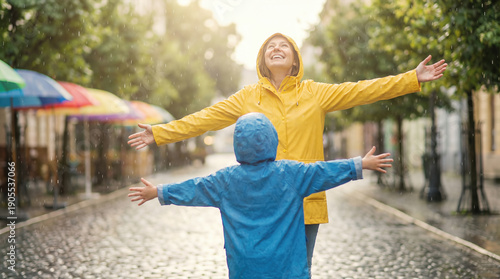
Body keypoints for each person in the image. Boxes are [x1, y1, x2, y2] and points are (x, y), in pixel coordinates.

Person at [127, 33, 447, 271]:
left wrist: (411, 78)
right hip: (260, 204)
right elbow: (205, 119)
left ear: (295, 59)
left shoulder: (315, 93)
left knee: (298, 269)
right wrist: (159, 133)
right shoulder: (246, 97)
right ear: (262, 60)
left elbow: (362, 90)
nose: (277, 49)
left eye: (284, 46)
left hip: (305, 198)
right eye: (270, 46)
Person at [129, 113, 393, 279]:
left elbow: (193, 187)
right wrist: (359, 164)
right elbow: (325, 171)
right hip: (288, 269)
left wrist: (159, 191)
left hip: (245, 268)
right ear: (272, 139)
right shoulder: (291, 173)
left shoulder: (225, 180)